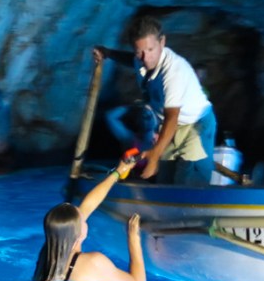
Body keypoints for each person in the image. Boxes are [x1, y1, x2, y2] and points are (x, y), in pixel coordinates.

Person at [93, 15, 217, 185]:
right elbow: (131, 60)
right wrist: (108, 53)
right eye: (139, 52)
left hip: (197, 125)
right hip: (171, 126)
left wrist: (154, 156)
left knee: (188, 183)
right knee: (165, 180)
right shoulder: (140, 59)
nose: (146, 58)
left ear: (162, 42)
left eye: (151, 50)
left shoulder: (174, 72)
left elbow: (172, 116)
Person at [32, 157, 146, 281]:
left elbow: (88, 205)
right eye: (83, 219)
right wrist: (134, 239)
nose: (84, 214)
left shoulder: (48, 251)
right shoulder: (93, 262)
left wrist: (118, 172)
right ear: (79, 233)